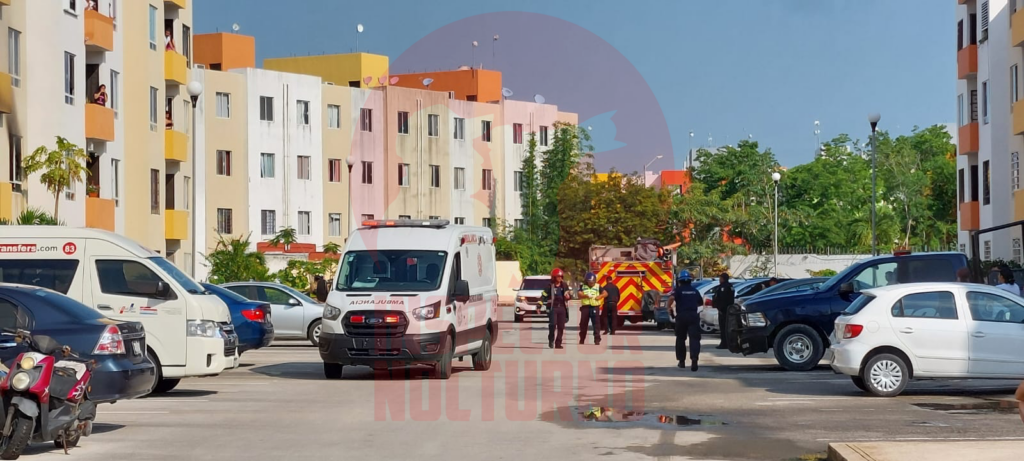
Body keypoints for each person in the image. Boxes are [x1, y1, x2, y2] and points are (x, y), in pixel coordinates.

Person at [667, 270, 703, 371]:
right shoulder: (695, 291)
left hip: (681, 316)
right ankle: (694, 358)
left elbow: (671, 298)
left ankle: (681, 361)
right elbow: (700, 303)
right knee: (694, 338)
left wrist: (669, 307)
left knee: (680, 339)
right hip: (693, 316)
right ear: (690, 281)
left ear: (679, 281)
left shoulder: (678, 290)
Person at [542, 268, 572, 349]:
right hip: (553, 308)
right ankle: (551, 339)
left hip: (562, 308)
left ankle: (558, 343)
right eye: (558, 277)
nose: (560, 278)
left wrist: (568, 296)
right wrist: (540, 304)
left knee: (561, 327)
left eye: (561, 276)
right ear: (554, 277)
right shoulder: (549, 286)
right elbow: (543, 296)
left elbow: (569, 295)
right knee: (553, 324)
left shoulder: (564, 285)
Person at [578, 272, 602, 345]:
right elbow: (579, 294)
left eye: (592, 282)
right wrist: (586, 296)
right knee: (583, 324)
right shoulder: (583, 286)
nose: (591, 283)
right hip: (585, 308)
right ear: (586, 281)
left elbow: (605, 293)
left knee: (596, 324)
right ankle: (582, 339)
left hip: (595, 307)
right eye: (590, 282)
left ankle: (597, 339)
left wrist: (600, 296)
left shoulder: (598, 286)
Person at [712, 273, 735, 350]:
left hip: (723, 311)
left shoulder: (723, 287)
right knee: (727, 327)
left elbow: (722, 299)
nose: (719, 280)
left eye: (720, 278)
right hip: (729, 310)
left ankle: (724, 343)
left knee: (723, 327)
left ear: (723, 278)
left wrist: (720, 308)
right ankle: (728, 343)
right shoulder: (730, 286)